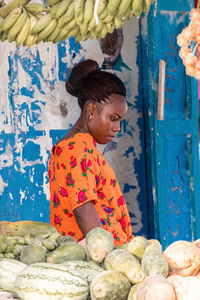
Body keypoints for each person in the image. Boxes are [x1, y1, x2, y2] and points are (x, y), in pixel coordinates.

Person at [48, 59, 133, 246]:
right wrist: (106, 255)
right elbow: (83, 210)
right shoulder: (78, 147)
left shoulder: (74, 146)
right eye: (113, 118)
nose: (117, 128)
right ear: (92, 109)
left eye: (120, 121)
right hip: (98, 257)